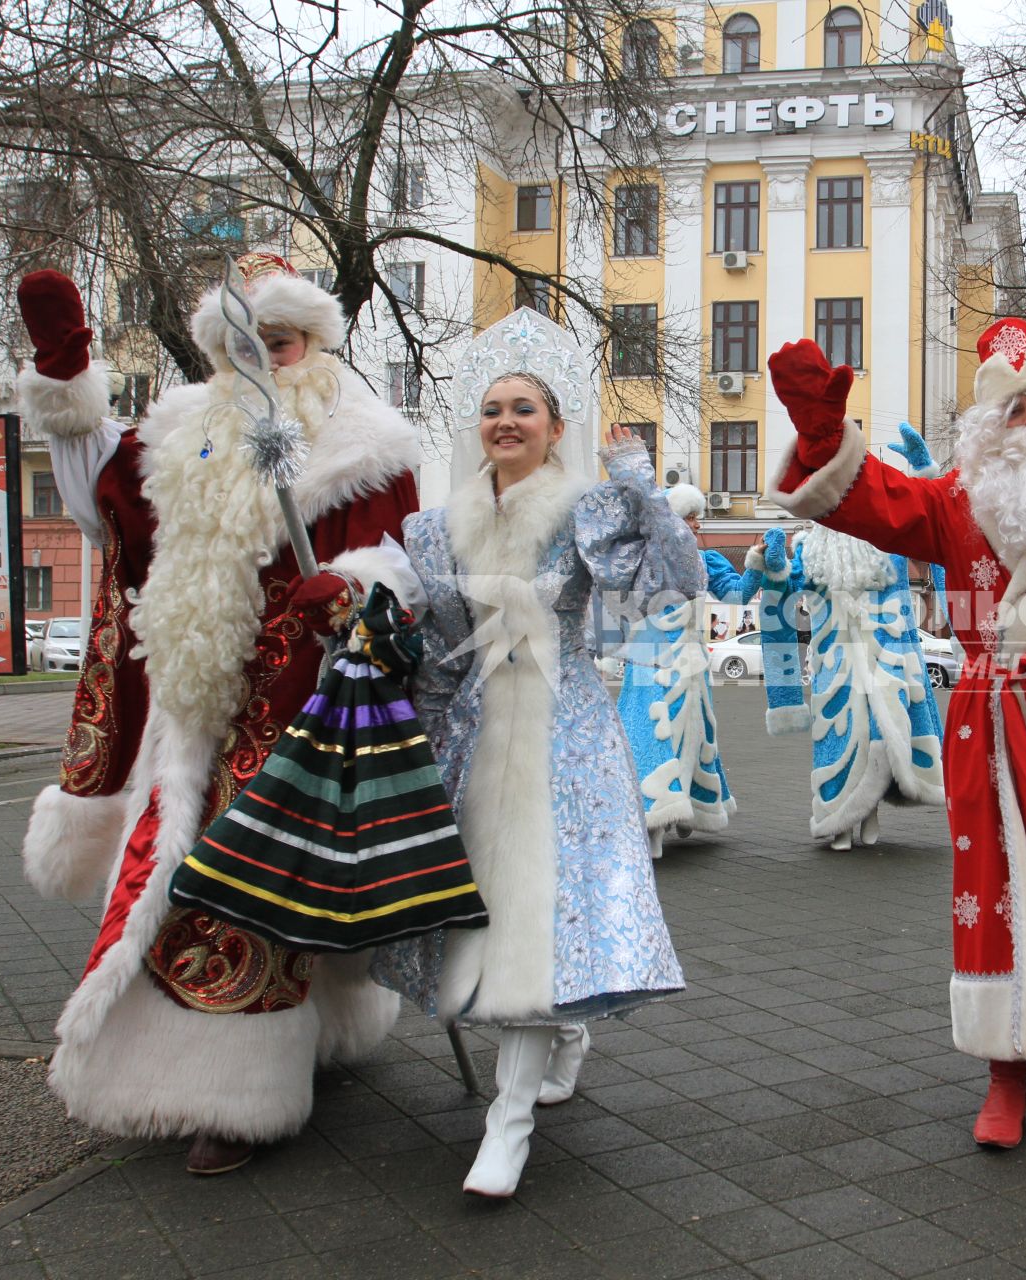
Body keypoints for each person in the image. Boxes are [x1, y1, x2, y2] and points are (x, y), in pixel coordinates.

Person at [12, 257, 421, 1174]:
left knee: (271, 889)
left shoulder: (368, 446)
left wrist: (354, 588)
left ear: (315, 343)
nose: (264, 358)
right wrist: (67, 374)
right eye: (245, 345)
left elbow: (405, 564)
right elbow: (101, 506)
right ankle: (220, 1082)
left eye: (279, 342)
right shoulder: (179, 434)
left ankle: (253, 1085)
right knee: (190, 882)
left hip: (310, 708)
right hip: (194, 709)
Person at [764, 319, 1026, 1149]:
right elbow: (871, 501)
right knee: (997, 900)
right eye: (1010, 410)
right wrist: (822, 435)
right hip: (989, 732)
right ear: (988, 430)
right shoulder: (957, 501)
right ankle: (1005, 1074)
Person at [369, 309, 692, 1198]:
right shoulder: (434, 530)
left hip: (566, 738)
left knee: (533, 921)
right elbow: (434, 653)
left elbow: (674, 584)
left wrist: (639, 485)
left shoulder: (587, 509)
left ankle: (506, 1124)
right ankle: (565, 1034)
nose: (505, 422)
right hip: (473, 741)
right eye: (491, 409)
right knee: (484, 917)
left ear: (554, 426)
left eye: (525, 409)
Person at [754, 518, 946, 851]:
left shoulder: (888, 543)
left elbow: (926, 558)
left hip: (885, 662)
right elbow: (786, 589)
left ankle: (869, 811)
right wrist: (773, 565)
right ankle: (837, 817)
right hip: (835, 667)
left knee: (882, 734)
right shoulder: (809, 549)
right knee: (838, 739)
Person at [616, 483, 761, 858]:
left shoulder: (706, 559)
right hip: (649, 658)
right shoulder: (646, 558)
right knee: (649, 731)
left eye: (698, 517)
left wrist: (756, 564)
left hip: (690, 660)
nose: (696, 524)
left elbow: (736, 595)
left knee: (693, 731)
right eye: (688, 517)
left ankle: (687, 808)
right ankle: (651, 817)